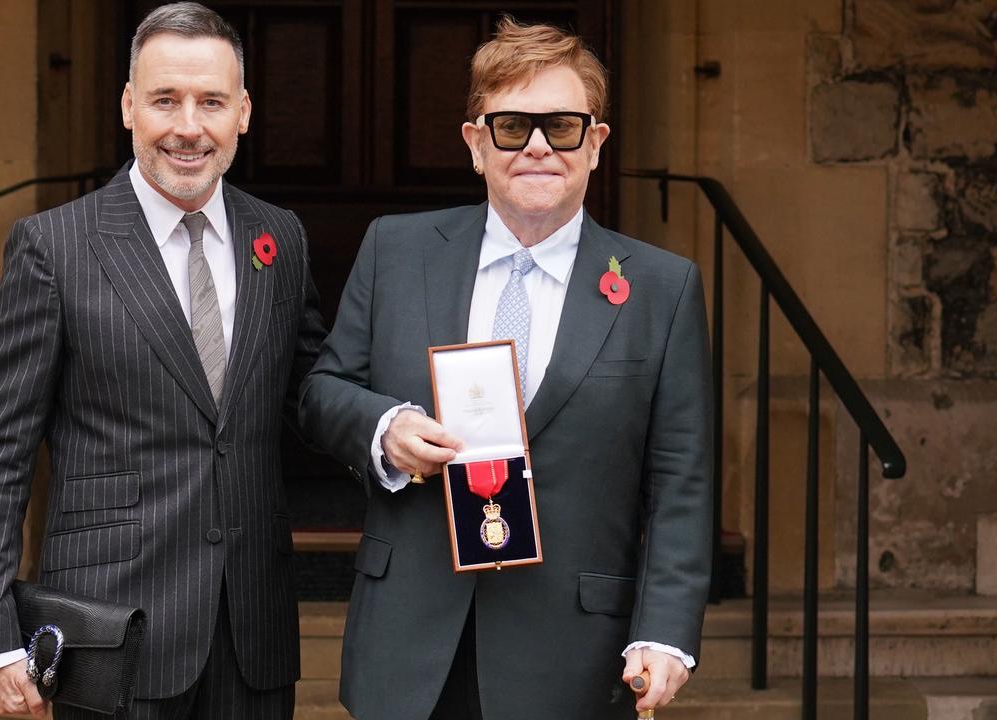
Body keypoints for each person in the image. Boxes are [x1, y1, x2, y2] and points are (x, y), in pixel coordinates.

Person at [299, 17, 712, 720]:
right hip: (408, 645)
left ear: (596, 145)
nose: (540, 148)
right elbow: (320, 395)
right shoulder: (396, 252)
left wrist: (666, 633)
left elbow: (682, 480)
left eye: (564, 126)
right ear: (476, 144)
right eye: (513, 127)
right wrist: (385, 429)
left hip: (573, 654)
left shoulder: (661, 288)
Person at [0, 4, 325, 718]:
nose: (189, 126)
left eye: (211, 101)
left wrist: (390, 427)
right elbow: (0, 451)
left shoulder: (280, 239)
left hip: (253, 632)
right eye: (165, 100)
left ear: (242, 112)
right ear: (129, 106)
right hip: (112, 634)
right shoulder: (54, 248)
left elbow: (311, 396)